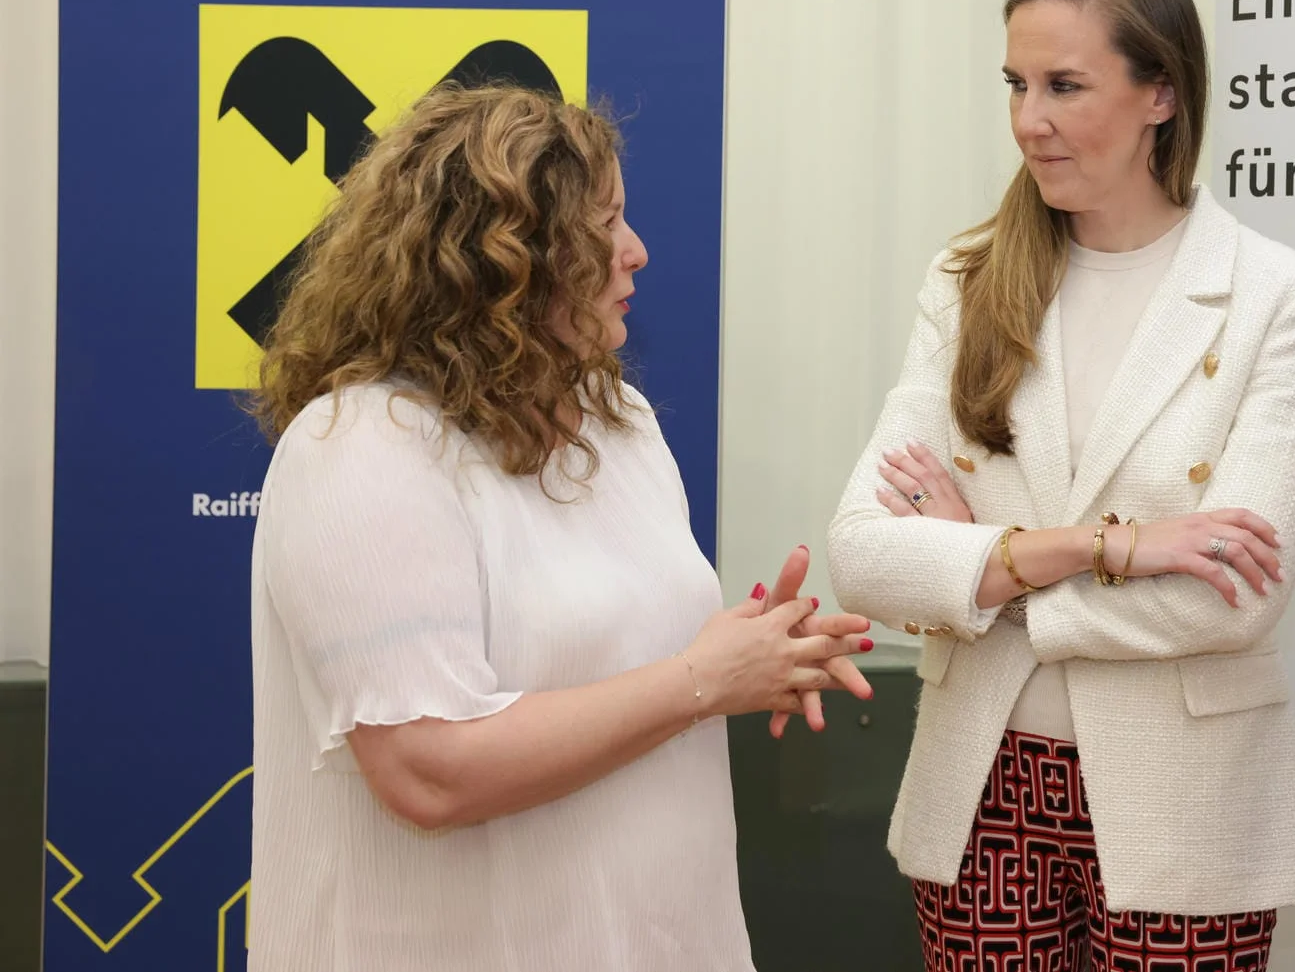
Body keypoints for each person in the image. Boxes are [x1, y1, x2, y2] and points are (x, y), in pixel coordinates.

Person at [246, 85, 871, 972]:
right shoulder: (359, 448)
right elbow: (428, 769)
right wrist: (702, 679)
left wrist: (757, 655)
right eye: (604, 224)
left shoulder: (619, 421)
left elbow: (630, 670)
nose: (636, 250)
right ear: (502, 259)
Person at [826, 0, 1295, 972]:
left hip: (1186, 802)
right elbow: (863, 556)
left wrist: (988, 569)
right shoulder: (967, 280)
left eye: (1064, 85)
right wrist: (1111, 547)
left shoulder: (1274, 294)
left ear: (1161, 95)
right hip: (980, 794)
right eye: (1016, 85)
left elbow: (1234, 596)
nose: (1029, 120)